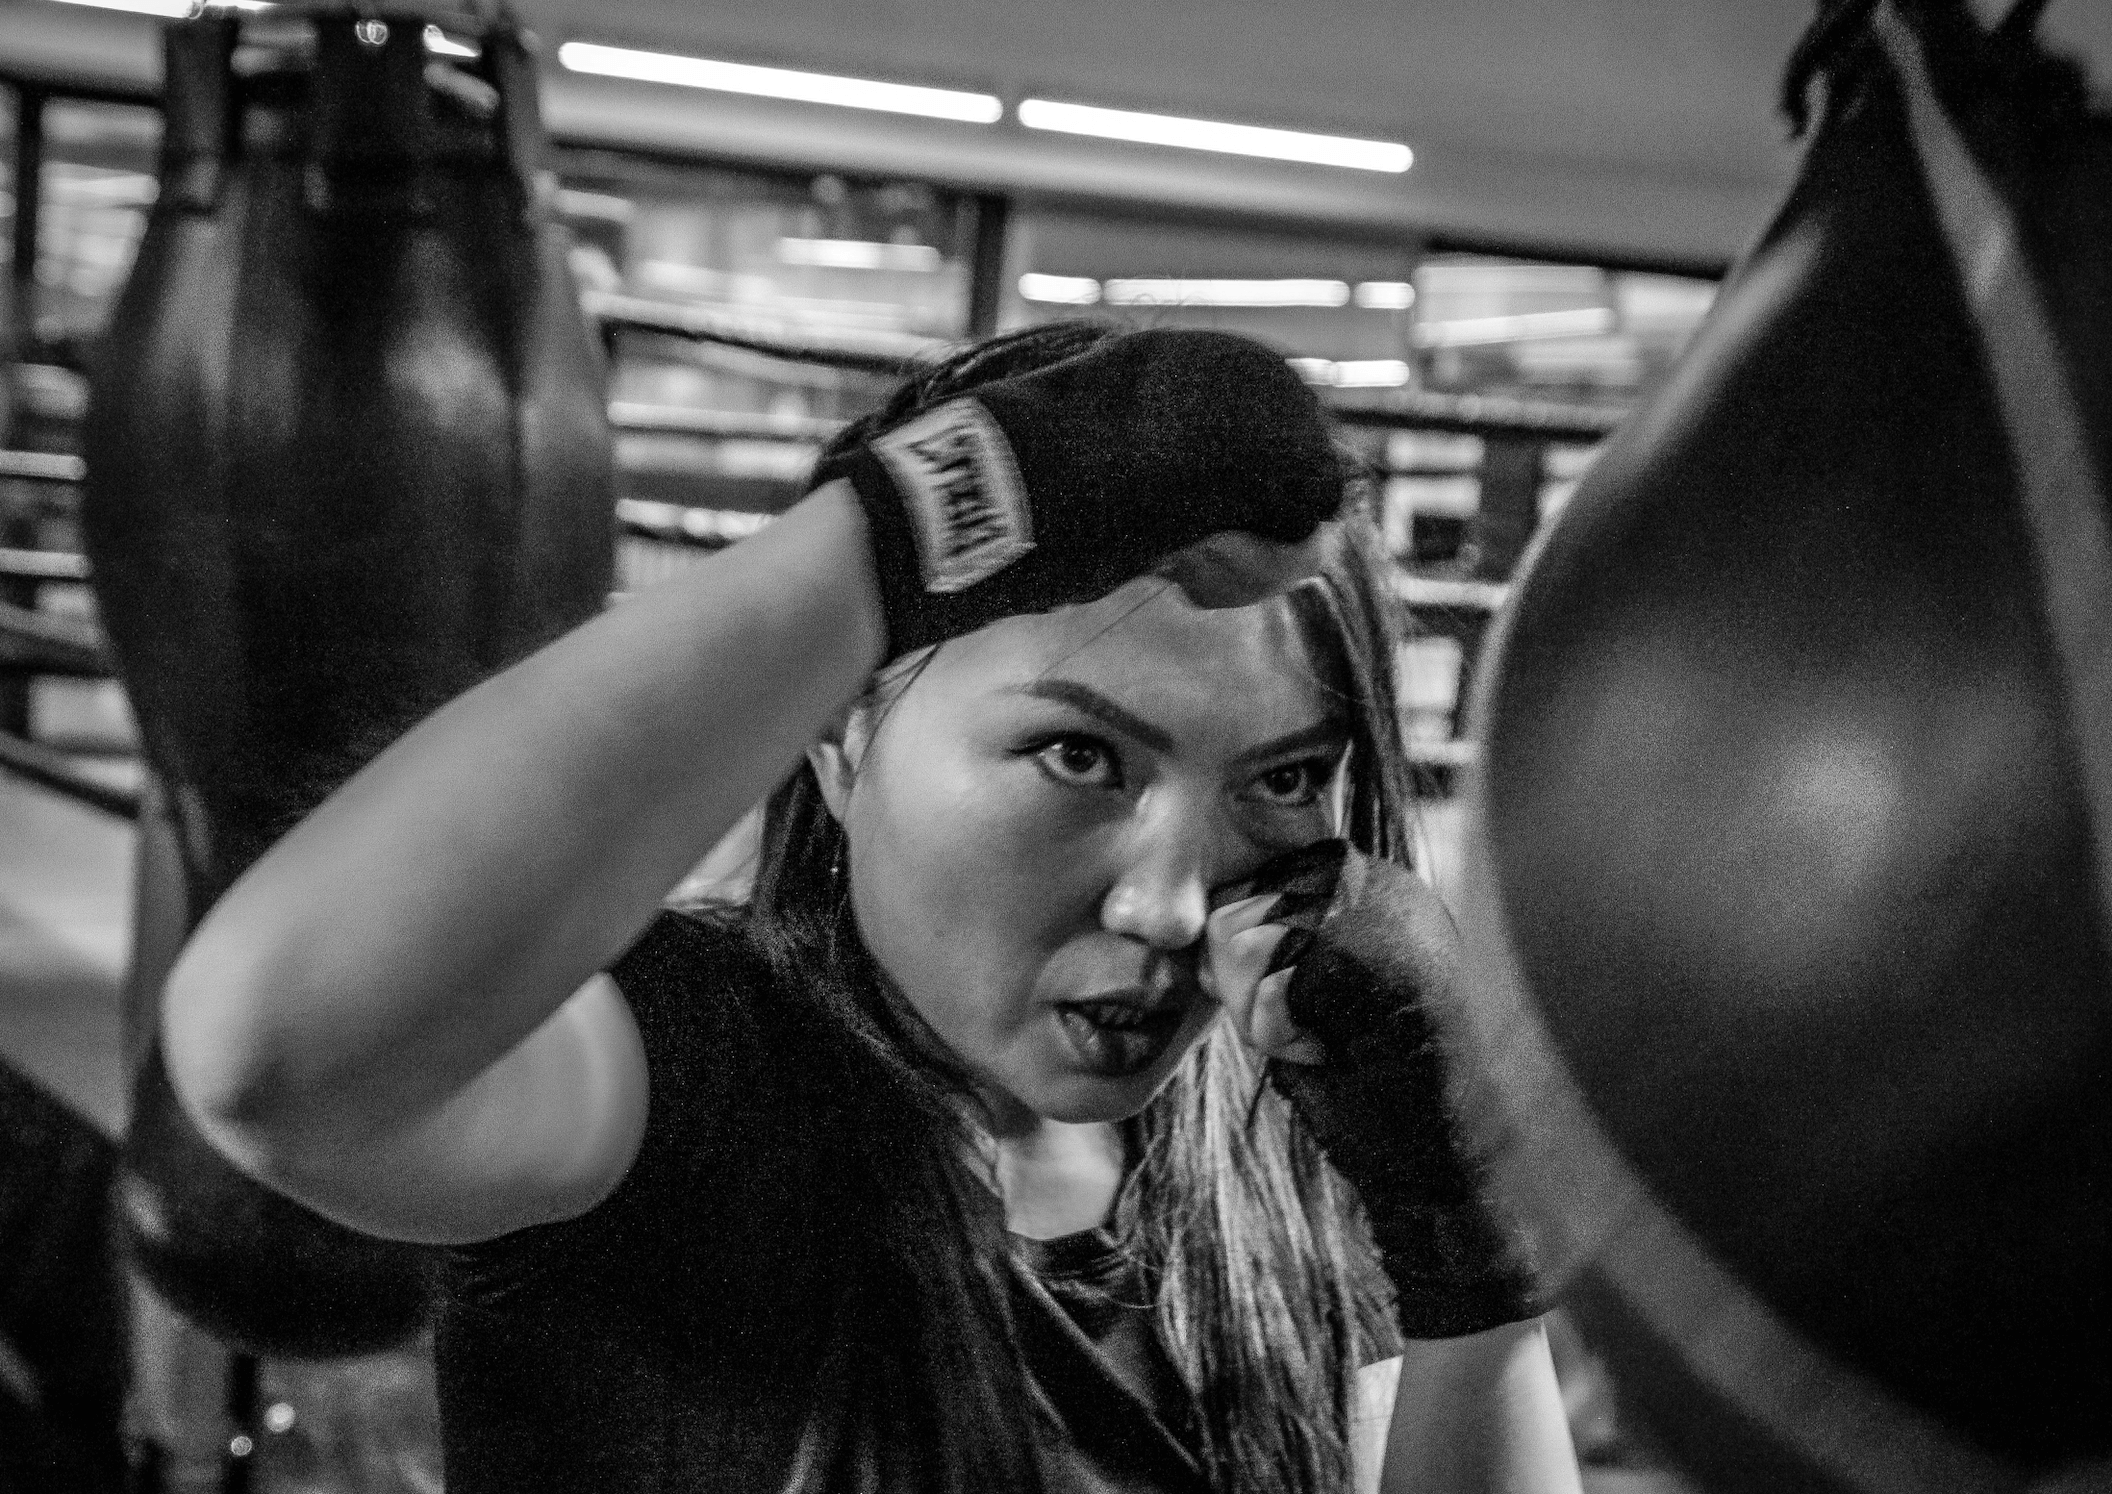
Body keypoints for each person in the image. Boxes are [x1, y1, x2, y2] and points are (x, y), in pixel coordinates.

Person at [160, 320, 1582, 1493]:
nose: (1169, 905)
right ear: (842, 733)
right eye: (1078, 756)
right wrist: (912, 526)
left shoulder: (1286, 1151)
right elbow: (272, 1050)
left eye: (1281, 779)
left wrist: (1475, 1250)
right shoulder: (682, 1075)